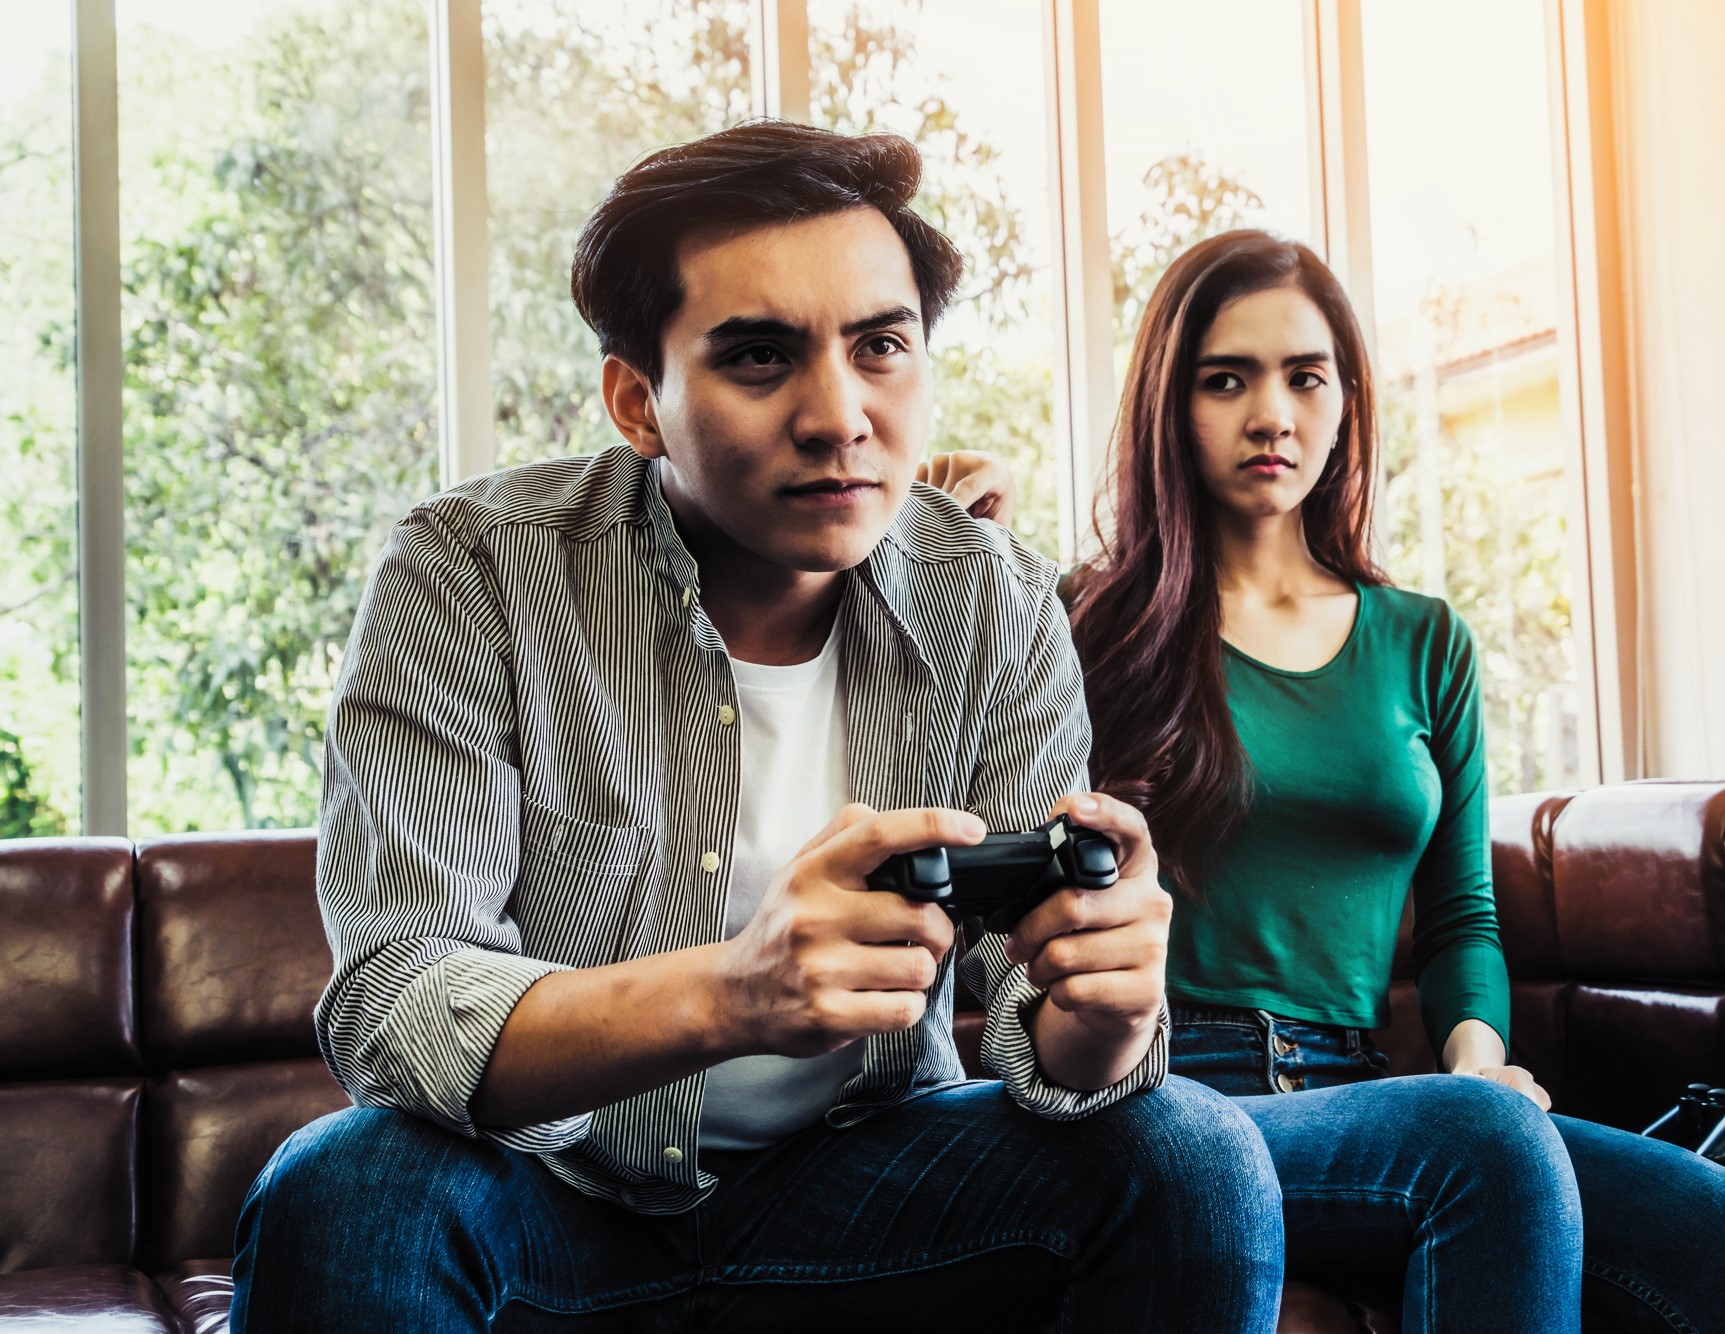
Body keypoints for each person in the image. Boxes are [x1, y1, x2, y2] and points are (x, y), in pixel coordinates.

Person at [229, 125, 1286, 1332]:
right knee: (348, 1183)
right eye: (758, 357)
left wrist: (1099, 1013)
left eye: (880, 346)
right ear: (638, 398)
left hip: (871, 1186)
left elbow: (1034, 1032)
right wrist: (733, 992)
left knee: (1194, 1151)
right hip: (554, 1198)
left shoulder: (991, 596)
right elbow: (399, 997)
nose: (838, 416)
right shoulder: (469, 573)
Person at [920, 229, 1725, 1332]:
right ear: (1171, 405)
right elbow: (960, 785)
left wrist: (1475, 1065)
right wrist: (953, 538)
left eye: (1304, 377)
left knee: (1712, 1217)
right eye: (1227, 380)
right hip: (1164, 1084)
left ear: (1346, 403)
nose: (1272, 414)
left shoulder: (1423, 641)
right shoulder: (1084, 621)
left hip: (1369, 1092)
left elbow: (1462, 919)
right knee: (1480, 1156)